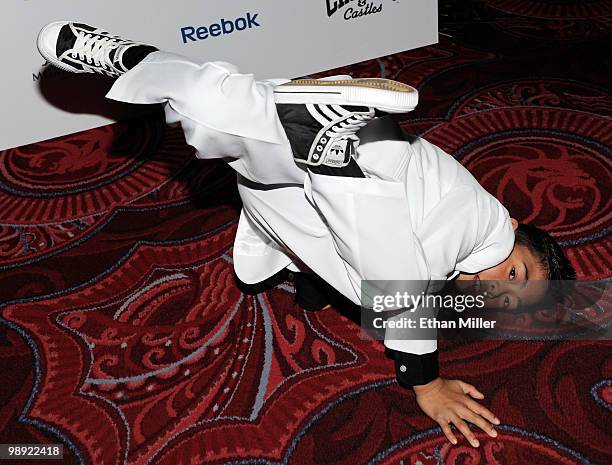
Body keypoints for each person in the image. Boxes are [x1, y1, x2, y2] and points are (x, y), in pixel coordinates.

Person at [36, 21, 576, 448]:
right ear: (513, 225)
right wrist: (426, 382)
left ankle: (132, 60)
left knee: (228, 122)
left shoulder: (459, 253)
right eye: (517, 273)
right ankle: (330, 141)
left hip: (303, 188)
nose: (494, 285)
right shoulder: (480, 223)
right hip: (363, 180)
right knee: (395, 278)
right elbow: (398, 278)